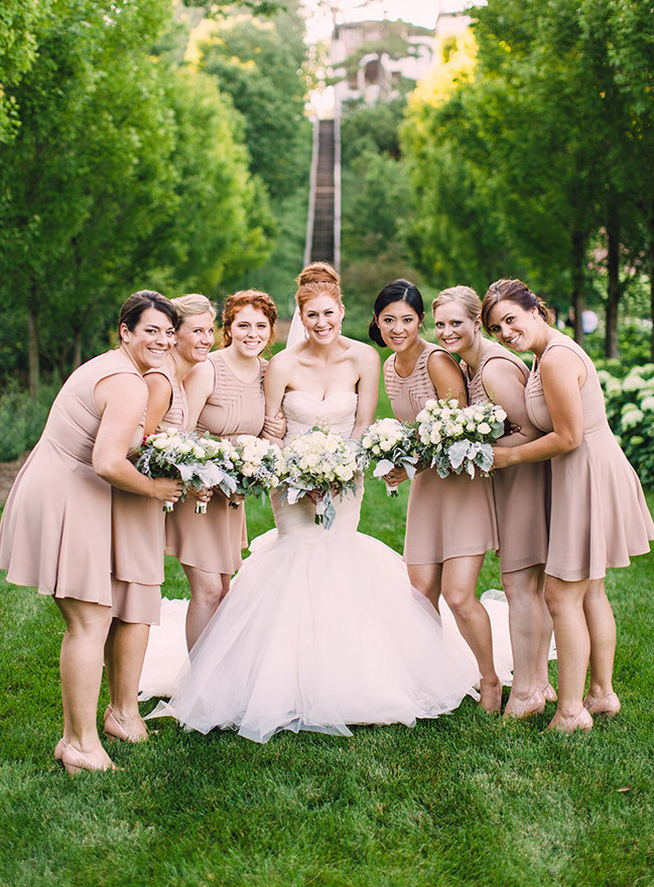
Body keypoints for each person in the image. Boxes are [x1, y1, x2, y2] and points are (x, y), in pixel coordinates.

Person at [146, 263, 480, 742]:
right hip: (291, 485)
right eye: (311, 314)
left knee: (340, 559)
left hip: (346, 480)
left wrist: (340, 470)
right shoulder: (282, 364)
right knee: (296, 560)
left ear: (341, 311)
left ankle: (349, 678)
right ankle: (280, 679)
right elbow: (271, 431)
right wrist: (298, 471)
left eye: (328, 313)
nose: (321, 322)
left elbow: (363, 426)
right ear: (301, 317)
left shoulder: (366, 358)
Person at [0, 291, 183, 773]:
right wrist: (154, 488)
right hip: (66, 495)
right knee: (89, 621)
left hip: (64, 489)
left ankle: (92, 732)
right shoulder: (128, 383)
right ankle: (77, 744)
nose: (162, 340)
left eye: (169, 332)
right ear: (126, 331)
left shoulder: (113, 367)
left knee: (92, 617)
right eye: (151, 331)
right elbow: (106, 461)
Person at [483, 278, 654, 732]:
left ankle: (571, 711)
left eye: (510, 320)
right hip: (583, 473)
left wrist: (509, 456)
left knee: (562, 594)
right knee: (590, 590)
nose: (505, 333)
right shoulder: (545, 354)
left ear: (535, 309)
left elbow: (568, 436)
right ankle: (602, 694)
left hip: (586, 475)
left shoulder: (557, 358)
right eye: (497, 328)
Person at [369, 280, 502, 712]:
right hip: (427, 489)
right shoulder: (389, 367)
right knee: (421, 592)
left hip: (459, 484)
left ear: (419, 321)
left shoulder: (438, 360)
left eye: (406, 319)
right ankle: (433, 679)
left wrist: (411, 465)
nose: (397, 328)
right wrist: (397, 461)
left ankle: (490, 679)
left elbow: (456, 434)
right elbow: (414, 432)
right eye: (388, 320)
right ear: (377, 322)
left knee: (459, 595)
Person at [432, 285, 553, 720]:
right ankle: (537, 680)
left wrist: (485, 452)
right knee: (529, 589)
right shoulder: (471, 365)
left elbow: (534, 431)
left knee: (521, 587)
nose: (447, 332)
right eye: (440, 324)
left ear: (476, 323)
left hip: (523, 480)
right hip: (510, 480)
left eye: (456, 323)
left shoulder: (494, 370)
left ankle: (525, 692)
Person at [106, 293, 216, 743]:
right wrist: (177, 479)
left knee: (135, 605)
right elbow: (138, 447)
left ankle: (122, 706)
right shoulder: (160, 382)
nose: (203, 339)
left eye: (210, 330)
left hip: (152, 501)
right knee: (130, 605)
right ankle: (122, 709)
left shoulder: (176, 376)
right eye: (193, 331)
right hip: (136, 502)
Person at [164, 290, 282, 650]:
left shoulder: (268, 371)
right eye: (243, 325)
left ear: (270, 331)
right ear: (227, 329)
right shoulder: (207, 369)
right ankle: (198, 689)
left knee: (224, 588)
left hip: (232, 495)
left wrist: (269, 436)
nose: (252, 334)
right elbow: (181, 434)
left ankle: (216, 680)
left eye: (261, 326)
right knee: (209, 590)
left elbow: (263, 432)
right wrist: (196, 476)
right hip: (198, 492)